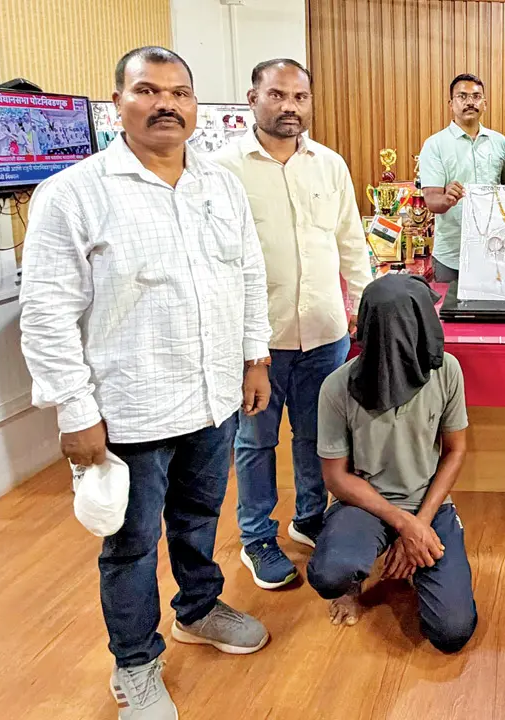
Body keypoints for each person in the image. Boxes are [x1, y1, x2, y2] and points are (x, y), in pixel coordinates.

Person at [18, 46, 272, 720]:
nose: (166, 103)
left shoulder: (219, 186)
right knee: (130, 545)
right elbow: (45, 312)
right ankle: (135, 662)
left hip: (212, 398)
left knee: (198, 521)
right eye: (148, 90)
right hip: (127, 410)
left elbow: (247, 273)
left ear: (194, 105)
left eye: (180, 92)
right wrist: (74, 409)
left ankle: (197, 609)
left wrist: (254, 358)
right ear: (117, 103)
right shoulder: (73, 193)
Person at [212, 59, 373, 590]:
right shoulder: (221, 169)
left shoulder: (328, 164)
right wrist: (238, 344)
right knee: (255, 441)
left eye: (300, 97)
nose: (290, 107)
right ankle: (258, 536)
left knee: (316, 436)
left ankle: (309, 519)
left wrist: (365, 311)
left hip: (326, 332)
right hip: (258, 341)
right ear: (252, 97)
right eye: (278, 95)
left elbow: (351, 242)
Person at [307, 274, 477, 653]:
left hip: (428, 503)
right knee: (329, 575)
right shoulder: (337, 387)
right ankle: (356, 580)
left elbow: (456, 450)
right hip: (364, 505)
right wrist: (404, 524)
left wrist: (420, 522)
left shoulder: (446, 371)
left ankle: (418, 560)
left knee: (453, 632)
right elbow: (335, 477)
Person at [419, 74, 505, 282]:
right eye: (462, 96)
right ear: (451, 103)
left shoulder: (499, 143)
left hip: (496, 250)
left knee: (492, 314)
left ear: (485, 104)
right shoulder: (435, 145)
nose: (470, 102)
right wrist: (446, 199)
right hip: (452, 255)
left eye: (476, 96)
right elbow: (431, 200)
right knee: (449, 313)